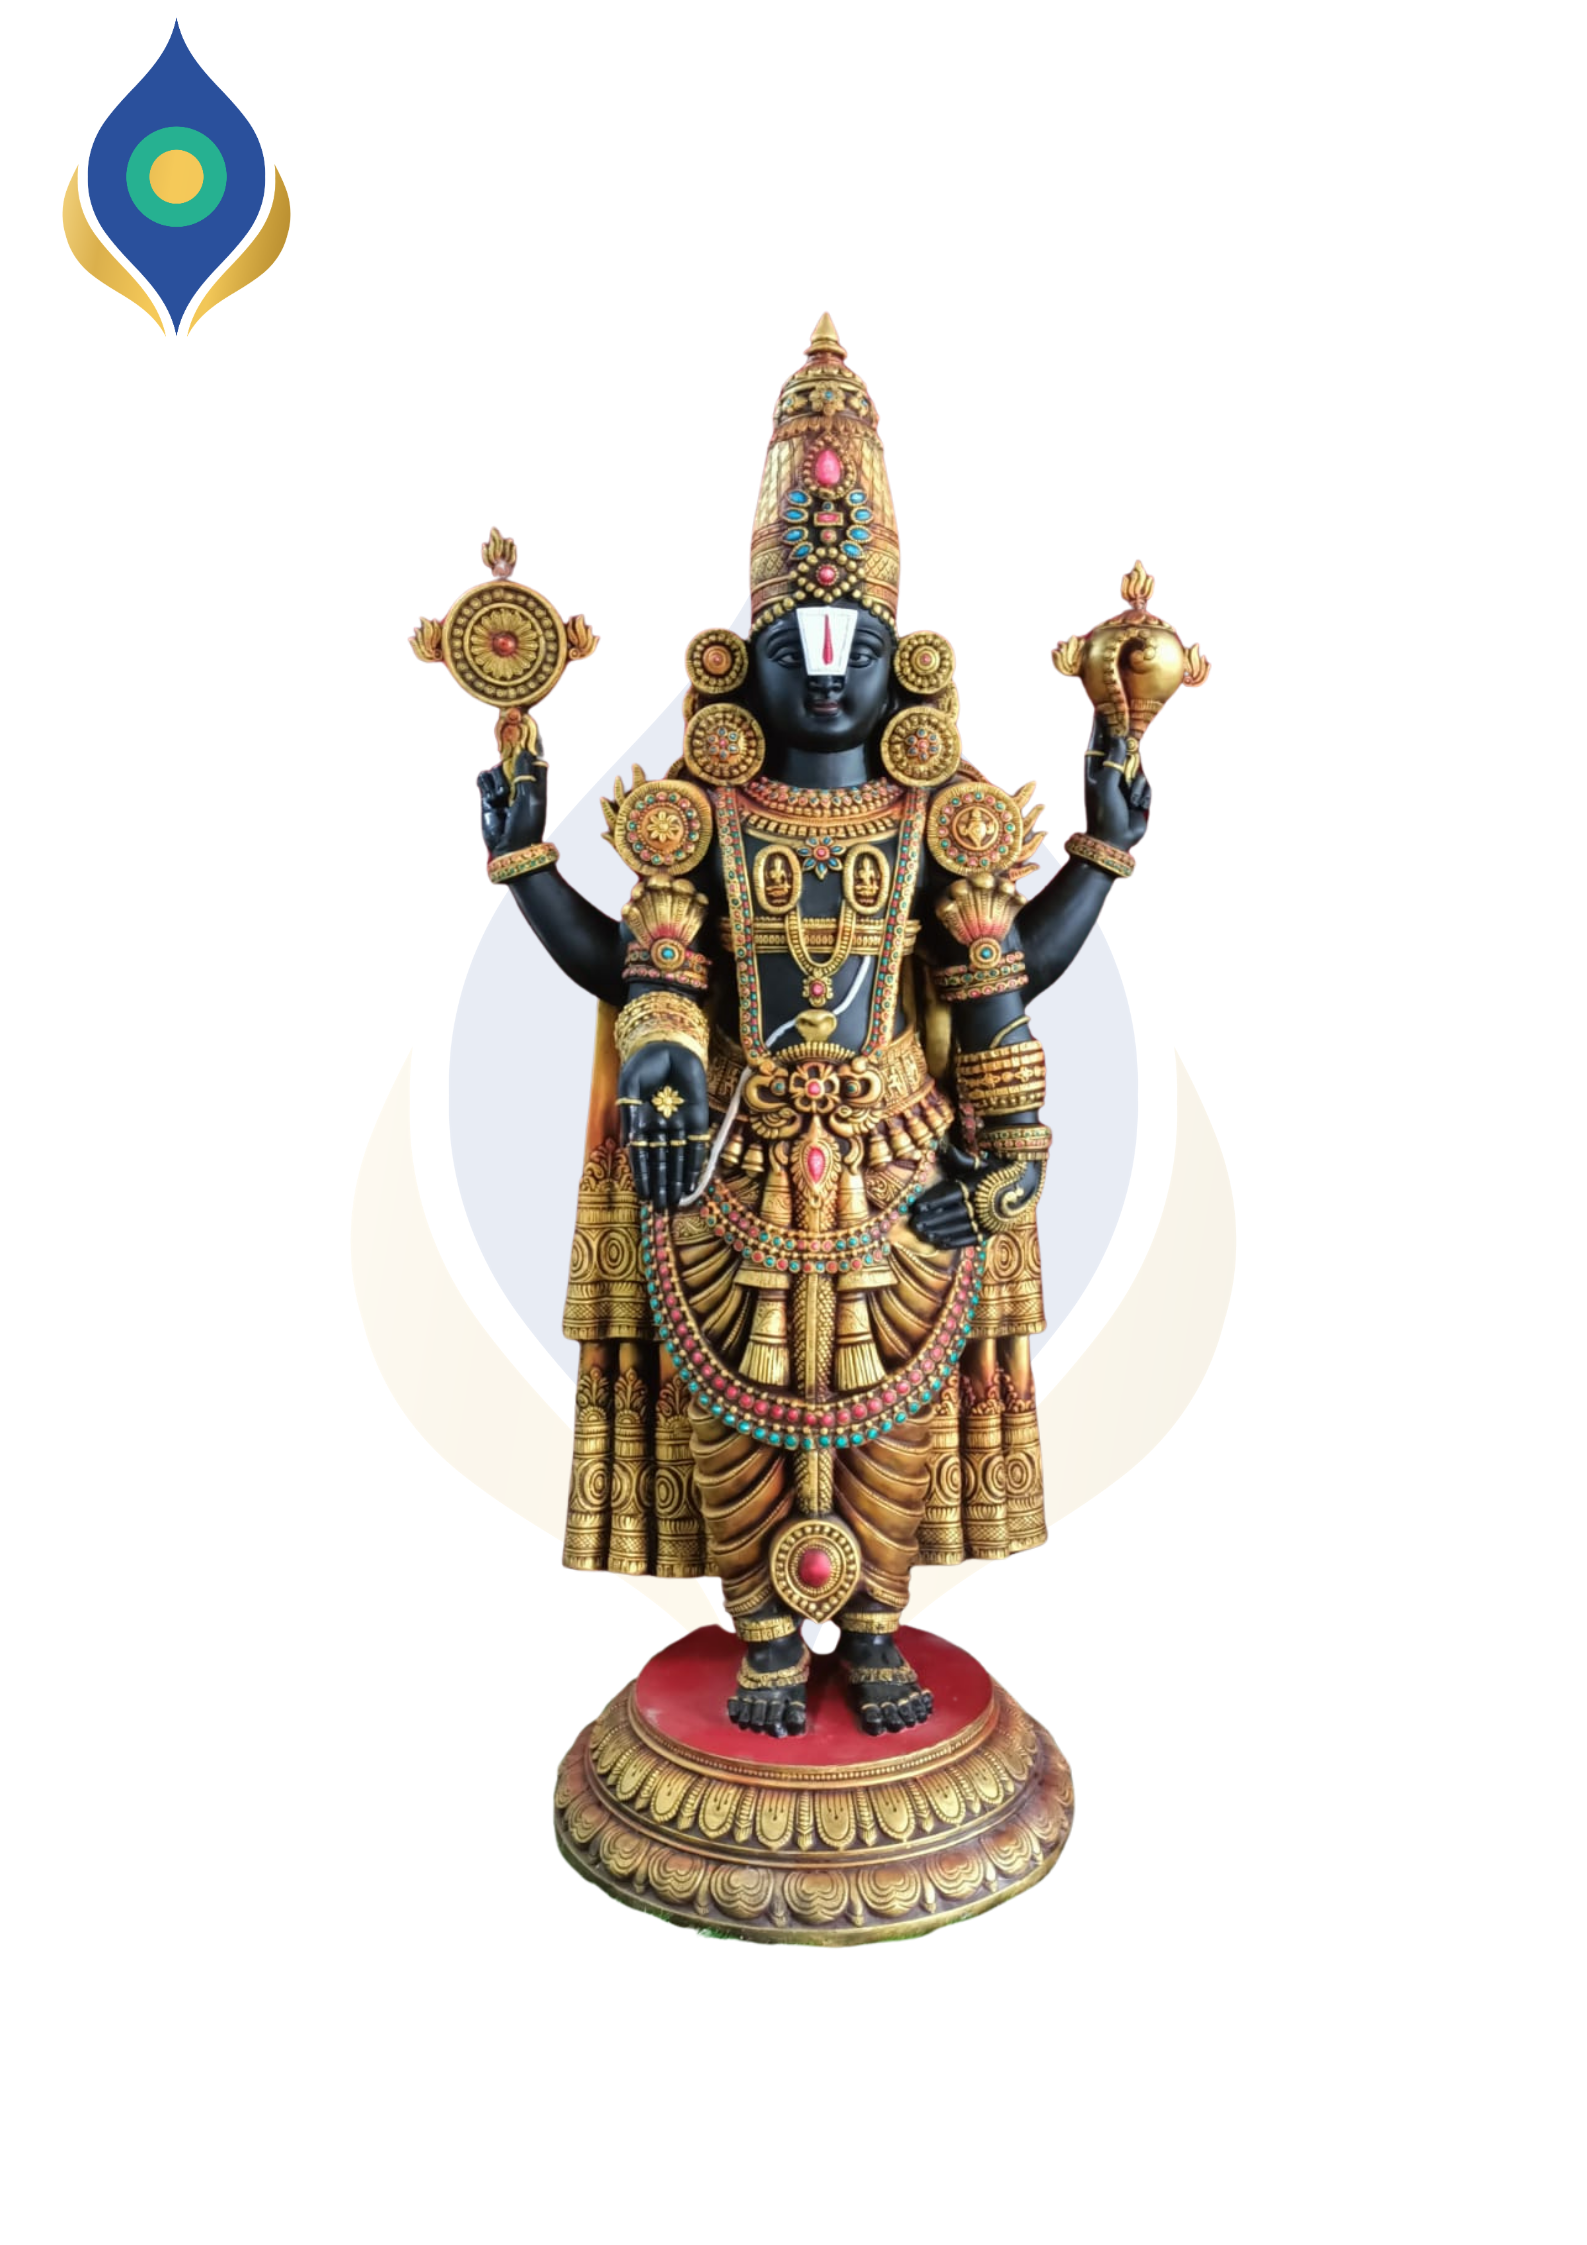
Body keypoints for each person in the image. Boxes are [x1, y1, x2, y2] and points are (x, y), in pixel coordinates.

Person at [477, 318, 1149, 1738]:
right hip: (731, 1155)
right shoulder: (697, 819)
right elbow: (651, 972)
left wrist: (1096, 865)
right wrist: (545, 887)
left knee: (895, 1412)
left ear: (905, 666)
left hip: (903, 1161)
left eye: (858, 646)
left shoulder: (943, 820)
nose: (830, 672)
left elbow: (994, 981)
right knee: (735, 1410)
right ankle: (771, 1640)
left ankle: (880, 1627)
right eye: (801, 645)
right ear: (747, 662)